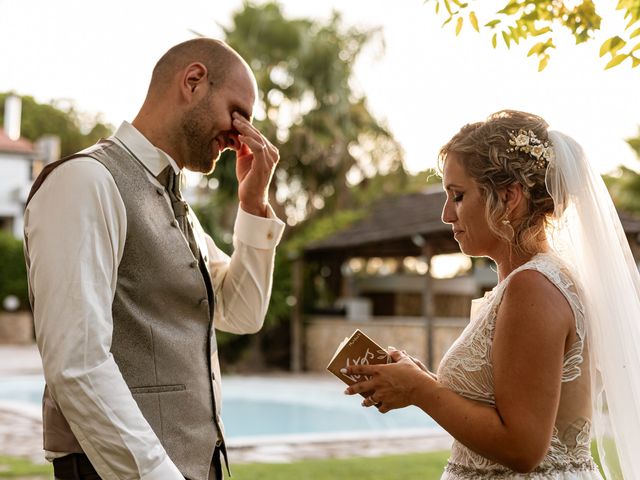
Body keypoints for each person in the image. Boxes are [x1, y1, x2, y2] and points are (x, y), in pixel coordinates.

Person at [23, 38, 285, 480]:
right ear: (194, 81)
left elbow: (242, 311)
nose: (241, 133)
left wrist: (253, 204)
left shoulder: (179, 208)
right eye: (237, 112)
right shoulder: (85, 182)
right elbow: (77, 363)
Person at [344, 110, 640, 478]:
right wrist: (416, 381)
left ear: (509, 196)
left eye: (457, 196)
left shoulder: (533, 288)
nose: (445, 215)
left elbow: (523, 447)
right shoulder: (529, 282)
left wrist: (421, 390)